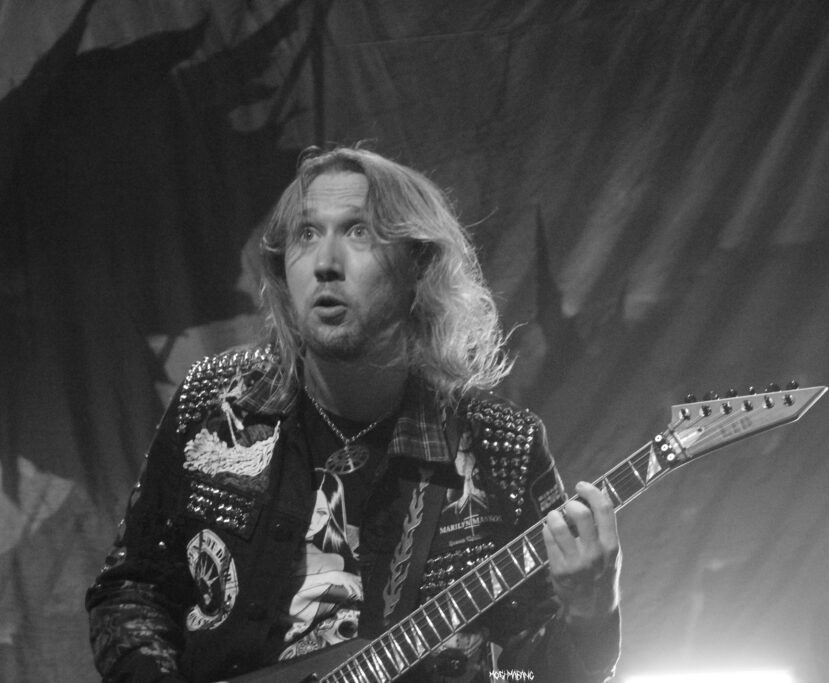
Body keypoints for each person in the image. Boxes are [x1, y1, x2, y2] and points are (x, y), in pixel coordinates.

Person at [85, 146, 622, 682]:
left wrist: (591, 614)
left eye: (359, 232)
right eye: (306, 233)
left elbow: (535, 672)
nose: (324, 263)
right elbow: (130, 589)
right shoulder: (218, 399)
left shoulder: (500, 445)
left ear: (418, 264)